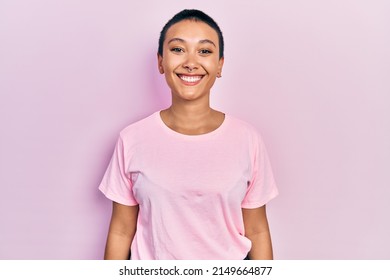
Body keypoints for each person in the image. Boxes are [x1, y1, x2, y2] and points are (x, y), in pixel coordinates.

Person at [99, 9, 278, 260]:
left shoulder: (248, 140)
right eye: (178, 49)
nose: (191, 62)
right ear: (161, 62)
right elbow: (121, 230)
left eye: (204, 51)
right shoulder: (131, 139)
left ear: (219, 65)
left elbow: (257, 230)